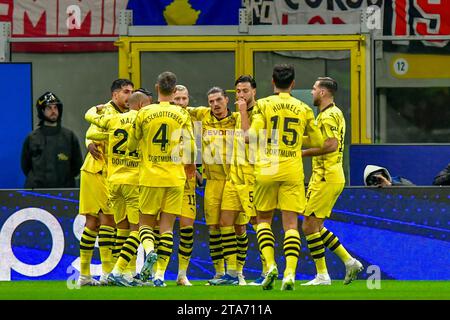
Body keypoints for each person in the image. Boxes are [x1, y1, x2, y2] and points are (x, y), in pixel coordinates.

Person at [248, 64, 323, 291]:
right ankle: (290, 273)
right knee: (291, 224)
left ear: (273, 82)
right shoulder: (303, 108)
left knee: (263, 220)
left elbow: (252, 136)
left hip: (267, 169)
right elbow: (319, 142)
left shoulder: (263, 105)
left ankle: (270, 265)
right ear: (292, 84)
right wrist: (297, 140)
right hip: (292, 168)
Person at [128, 71, 196, 287]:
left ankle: (149, 251)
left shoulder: (144, 113)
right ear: (174, 90)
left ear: (157, 87)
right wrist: (190, 165)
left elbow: (130, 145)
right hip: (175, 178)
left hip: (150, 177)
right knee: (167, 227)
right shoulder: (182, 115)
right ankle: (159, 276)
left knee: (145, 224)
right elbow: (192, 148)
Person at [83, 91, 151, 287]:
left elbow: (90, 132)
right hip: (132, 180)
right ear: (140, 105)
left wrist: (95, 111)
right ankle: (121, 271)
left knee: (121, 227)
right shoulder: (143, 120)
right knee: (137, 228)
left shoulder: (113, 120)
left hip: (113, 181)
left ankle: (123, 275)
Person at [301, 77, 363, 286]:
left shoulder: (328, 116)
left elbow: (330, 145)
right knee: (316, 225)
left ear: (323, 93)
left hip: (326, 175)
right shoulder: (333, 113)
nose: (311, 92)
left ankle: (322, 275)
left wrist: (300, 153)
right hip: (329, 175)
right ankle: (349, 261)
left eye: (314, 88)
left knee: (309, 225)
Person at [77, 79, 134, 286]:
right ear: (115, 95)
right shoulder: (104, 111)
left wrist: (90, 140)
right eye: (126, 92)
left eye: (131, 92)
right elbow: (90, 133)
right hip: (96, 170)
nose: (129, 96)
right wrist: (89, 142)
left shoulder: (128, 115)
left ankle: (86, 275)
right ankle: (105, 273)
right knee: (105, 221)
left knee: (95, 223)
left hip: (109, 172)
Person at [209, 75, 263, 286]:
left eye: (245, 91)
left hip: (251, 176)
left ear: (254, 92)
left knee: (258, 223)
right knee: (225, 223)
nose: (241, 95)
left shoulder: (259, 112)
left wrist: (241, 111)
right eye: (238, 91)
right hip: (234, 176)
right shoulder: (237, 114)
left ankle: (268, 269)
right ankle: (232, 273)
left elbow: (248, 136)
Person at [186, 87, 238, 283]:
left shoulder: (237, 119)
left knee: (232, 225)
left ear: (226, 100)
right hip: (213, 181)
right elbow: (180, 107)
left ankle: (235, 272)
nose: (215, 105)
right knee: (214, 227)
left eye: (218, 100)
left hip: (234, 180)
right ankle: (219, 272)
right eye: (211, 102)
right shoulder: (202, 115)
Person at [171, 84, 203, 286]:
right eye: (177, 99)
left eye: (184, 99)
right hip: (166, 178)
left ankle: (182, 274)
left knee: (187, 228)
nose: (181, 103)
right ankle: (157, 273)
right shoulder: (164, 117)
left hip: (188, 181)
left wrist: (197, 169)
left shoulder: (194, 119)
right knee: (160, 229)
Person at [21, 92, 83, 189]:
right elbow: (25, 166)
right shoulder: (32, 138)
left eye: (55, 107)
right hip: (37, 192)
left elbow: (77, 165)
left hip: (65, 192)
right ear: (42, 111)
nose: (53, 111)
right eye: (49, 108)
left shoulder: (69, 136)